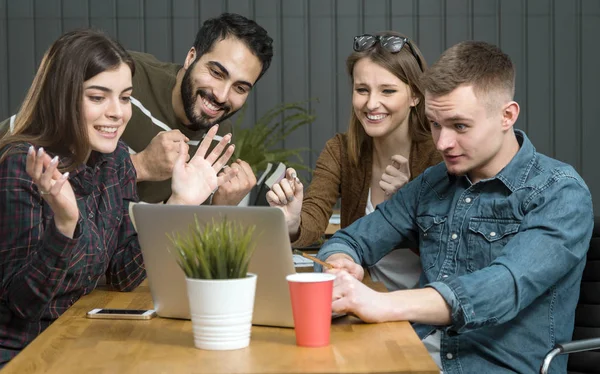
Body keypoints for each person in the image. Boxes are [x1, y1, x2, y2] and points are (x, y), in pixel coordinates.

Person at [314, 40, 593, 373]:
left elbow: (502, 286)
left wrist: (383, 303)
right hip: (412, 355)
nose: (443, 143)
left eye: (460, 126)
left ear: (507, 115)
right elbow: (353, 239)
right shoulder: (434, 183)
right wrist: (342, 263)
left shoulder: (560, 192)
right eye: (435, 124)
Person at [0, 29, 235, 366]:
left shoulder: (117, 161)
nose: (117, 113)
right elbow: (26, 305)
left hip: (79, 341)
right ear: (62, 97)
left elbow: (123, 274)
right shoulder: (22, 165)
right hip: (24, 356)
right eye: (98, 97)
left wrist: (180, 203)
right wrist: (65, 226)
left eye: (125, 97)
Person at [0, 13, 274, 205]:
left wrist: (220, 207)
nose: (221, 95)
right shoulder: (124, 76)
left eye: (240, 88)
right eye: (216, 72)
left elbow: (172, 235)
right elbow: (24, 149)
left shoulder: (219, 137)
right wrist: (140, 166)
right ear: (191, 57)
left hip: (117, 265)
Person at [266, 32, 440, 291]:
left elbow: (448, 247)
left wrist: (407, 200)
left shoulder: (439, 154)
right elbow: (313, 222)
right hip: (362, 299)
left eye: (388, 91)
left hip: (423, 309)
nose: (371, 104)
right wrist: (292, 223)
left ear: (415, 95)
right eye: (362, 90)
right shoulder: (340, 150)